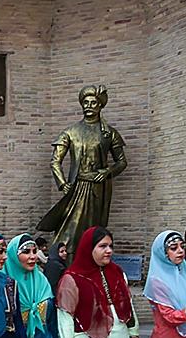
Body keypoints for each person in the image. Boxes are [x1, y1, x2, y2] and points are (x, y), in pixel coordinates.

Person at [37, 85, 128, 251]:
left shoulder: (109, 133)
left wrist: (108, 172)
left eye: (93, 103)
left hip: (99, 189)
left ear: (100, 105)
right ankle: (64, 263)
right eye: (85, 102)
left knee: (94, 232)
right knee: (69, 230)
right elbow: (55, 161)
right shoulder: (70, 132)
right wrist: (63, 184)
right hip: (77, 188)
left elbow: (121, 161)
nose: (88, 106)